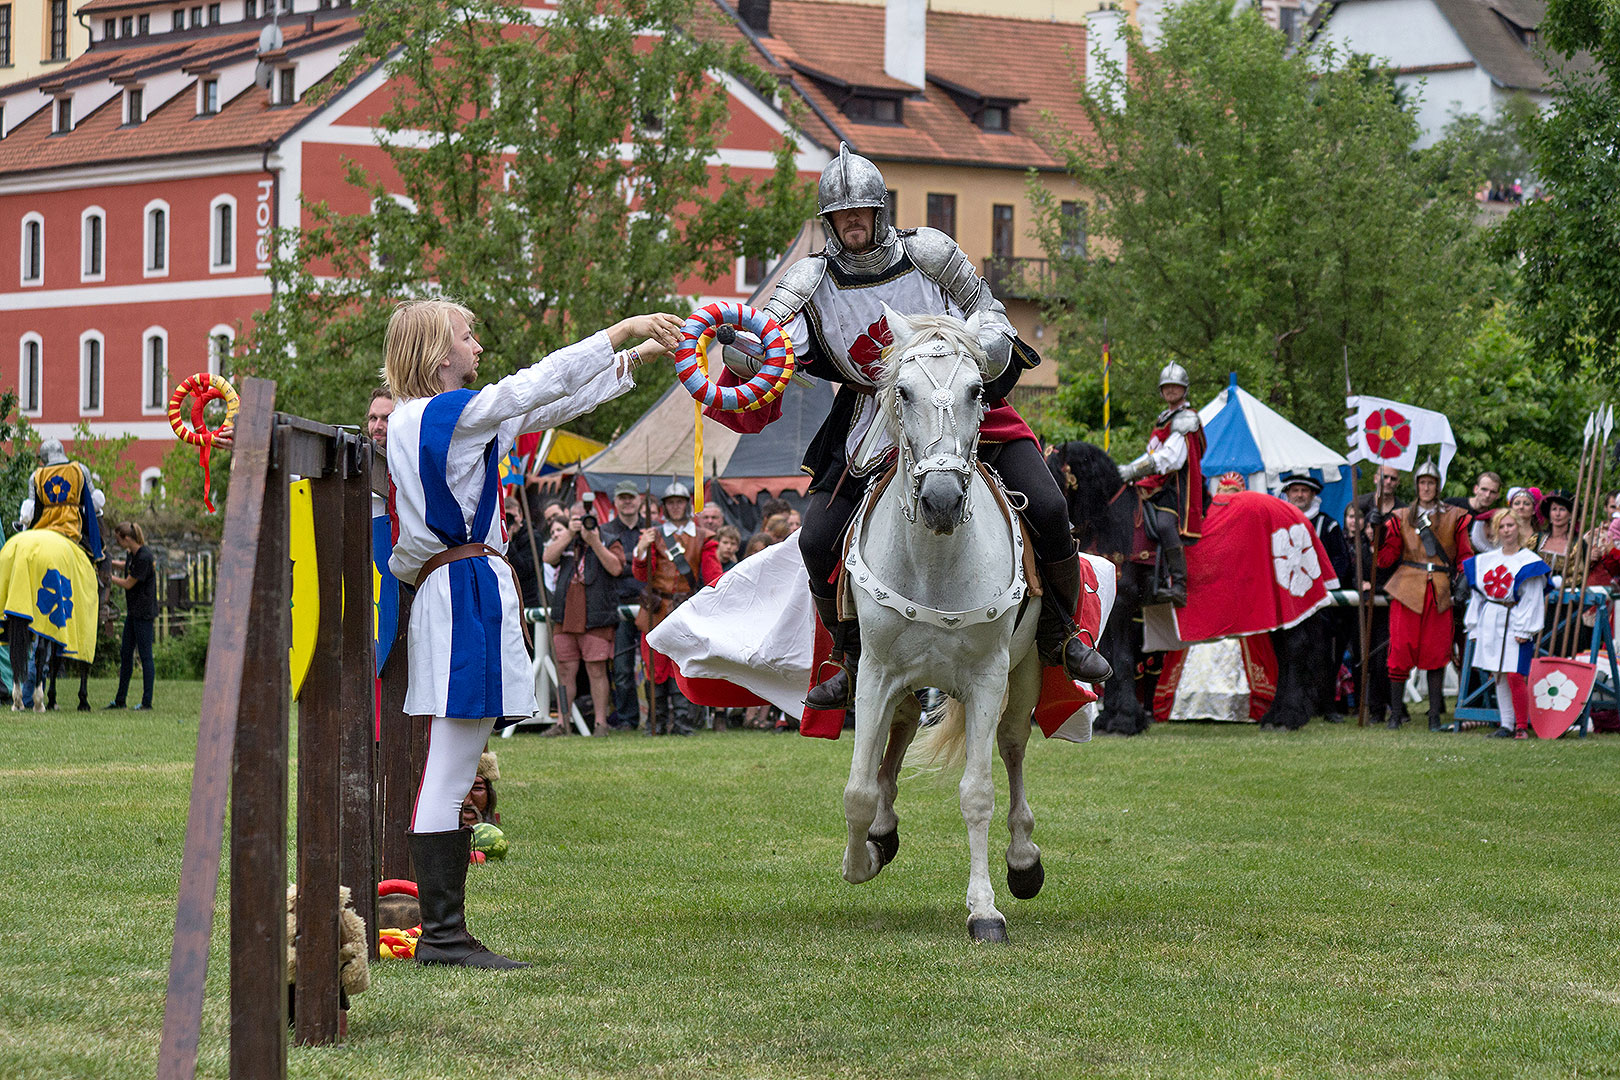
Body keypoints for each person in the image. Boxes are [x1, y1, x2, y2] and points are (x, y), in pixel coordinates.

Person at [717, 143, 1109, 710]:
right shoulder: (808, 282)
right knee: (817, 539)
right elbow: (773, 346)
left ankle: (1064, 634)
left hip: (954, 398)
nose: (852, 224)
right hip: (872, 414)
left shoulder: (928, 252)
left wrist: (989, 344)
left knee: (1048, 508)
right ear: (829, 223)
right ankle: (848, 659)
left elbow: (987, 309)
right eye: (840, 217)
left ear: (880, 214)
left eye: (861, 214)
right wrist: (744, 356)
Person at [384, 296, 681, 968]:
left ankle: (444, 933)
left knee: (452, 763)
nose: (479, 346)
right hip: (463, 591)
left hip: (450, 588)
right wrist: (625, 326)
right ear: (439, 355)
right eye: (468, 336)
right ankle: (443, 937)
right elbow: (537, 384)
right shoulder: (447, 413)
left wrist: (643, 353)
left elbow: (547, 403)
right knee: (453, 764)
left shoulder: (425, 418)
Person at [1375, 459, 1472, 730]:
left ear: (1438, 486)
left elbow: (1465, 554)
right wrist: (1377, 533)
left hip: (1439, 589)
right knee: (1400, 651)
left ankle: (1433, 716)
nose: (1426, 487)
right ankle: (1395, 715)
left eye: (1431, 482)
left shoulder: (1456, 516)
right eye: (1422, 482)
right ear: (1416, 485)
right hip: (1406, 588)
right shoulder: (1401, 516)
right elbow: (1385, 559)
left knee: (1436, 652)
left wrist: (1463, 581)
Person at [632, 480, 721, 735]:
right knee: (654, 664)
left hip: (685, 608)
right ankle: (656, 723)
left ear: (687, 504)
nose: (676, 506)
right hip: (655, 608)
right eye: (671, 502)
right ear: (665, 506)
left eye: (680, 502)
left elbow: (713, 575)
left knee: (681, 664)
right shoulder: (654, 534)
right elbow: (641, 575)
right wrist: (641, 549)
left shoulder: (703, 536)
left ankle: (682, 723)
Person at [1118, 365, 1206, 607]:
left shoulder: (1187, 419)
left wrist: (1134, 470)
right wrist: (1127, 471)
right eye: (1166, 386)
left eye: (1175, 386)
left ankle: (1178, 585)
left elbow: (1171, 459)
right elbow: (1152, 453)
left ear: (1184, 389)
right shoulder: (1164, 419)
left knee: (1166, 523)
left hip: (1176, 487)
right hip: (1159, 484)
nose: (1170, 390)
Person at [1461, 510, 1548, 738]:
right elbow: (1479, 596)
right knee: (1498, 674)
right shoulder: (1486, 561)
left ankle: (1521, 725)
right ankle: (1506, 724)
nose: (1507, 530)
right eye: (1502, 526)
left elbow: (1533, 596)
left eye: (1511, 525)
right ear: (1496, 531)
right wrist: (1474, 625)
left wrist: (1525, 629)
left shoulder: (1529, 561)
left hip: (1516, 619)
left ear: (1518, 527)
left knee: (1515, 674)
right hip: (1491, 619)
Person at [543, 499, 625, 735]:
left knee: (596, 670)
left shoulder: (609, 538)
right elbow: (548, 557)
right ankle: (562, 722)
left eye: (584, 518)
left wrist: (594, 542)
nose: (581, 522)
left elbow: (616, 568)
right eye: (575, 518)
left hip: (596, 615)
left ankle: (600, 723)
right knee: (565, 670)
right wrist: (569, 534)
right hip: (565, 615)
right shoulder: (566, 538)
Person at [599, 480, 649, 729]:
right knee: (621, 668)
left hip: (649, 604)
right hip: (617, 605)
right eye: (622, 497)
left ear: (639, 500)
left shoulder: (652, 528)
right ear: (615, 501)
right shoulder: (604, 531)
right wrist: (635, 560)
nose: (627, 501)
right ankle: (628, 719)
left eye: (631, 497)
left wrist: (622, 563)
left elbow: (647, 566)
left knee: (654, 665)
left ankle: (656, 718)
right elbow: (612, 569)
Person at [1345, 502, 1393, 723]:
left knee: (1382, 661)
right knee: (1363, 659)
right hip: (1363, 613)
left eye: (1376, 527)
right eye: (1369, 527)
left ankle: (1383, 708)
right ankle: (1367, 708)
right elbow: (1356, 579)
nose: (1372, 530)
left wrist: (1375, 588)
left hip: (1386, 614)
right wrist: (1361, 586)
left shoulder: (1391, 553)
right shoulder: (1362, 550)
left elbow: (1395, 581)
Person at [106, 522, 157, 711]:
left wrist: (106, 577)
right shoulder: (132, 555)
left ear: (127, 539)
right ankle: (120, 700)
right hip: (133, 612)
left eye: (119, 539)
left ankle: (146, 702)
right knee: (125, 654)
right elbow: (124, 565)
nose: (118, 543)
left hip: (143, 613)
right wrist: (107, 562)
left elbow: (128, 583)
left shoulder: (145, 557)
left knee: (145, 657)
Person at [1444, 470, 1501, 553]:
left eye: (1492, 492)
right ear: (1475, 489)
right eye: (1484, 489)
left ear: (1497, 495)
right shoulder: (1451, 504)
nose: (1487, 495)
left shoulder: (1492, 521)